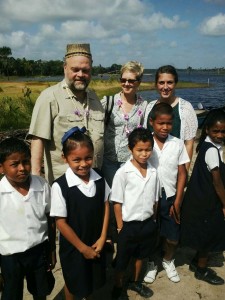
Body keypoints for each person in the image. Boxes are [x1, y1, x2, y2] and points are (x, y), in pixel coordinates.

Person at [29, 43, 104, 184]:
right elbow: (38, 139)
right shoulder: (49, 97)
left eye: (85, 70)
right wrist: (36, 180)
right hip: (63, 185)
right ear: (65, 68)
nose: (80, 75)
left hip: (94, 181)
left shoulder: (95, 98)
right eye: (75, 70)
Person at [50, 127, 110, 300]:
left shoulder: (99, 176)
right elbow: (60, 223)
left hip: (96, 241)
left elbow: (106, 205)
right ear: (65, 158)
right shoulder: (60, 186)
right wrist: (83, 248)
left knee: (91, 278)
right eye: (76, 159)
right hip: (74, 247)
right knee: (74, 281)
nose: (83, 164)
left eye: (88, 158)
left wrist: (103, 236)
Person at [0, 137, 56, 300]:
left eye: (26, 161)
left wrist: (52, 249)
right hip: (10, 255)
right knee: (12, 292)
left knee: (41, 291)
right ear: (1, 168)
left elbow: (50, 218)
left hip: (38, 251)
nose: (22, 168)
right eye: (14, 164)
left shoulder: (42, 185)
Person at [110, 127, 159, 299]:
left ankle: (136, 282)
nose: (144, 154)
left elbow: (155, 199)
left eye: (148, 150)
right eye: (139, 150)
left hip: (147, 224)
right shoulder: (123, 173)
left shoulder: (154, 171)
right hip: (128, 226)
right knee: (122, 260)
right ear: (131, 149)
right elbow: (117, 201)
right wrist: (120, 226)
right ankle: (118, 285)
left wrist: (153, 219)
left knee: (141, 256)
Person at [144, 103, 189, 284]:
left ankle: (168, 260)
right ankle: (152, 263)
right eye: (160, 123)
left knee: (173, 236)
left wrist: (178, 200)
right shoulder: (146, 143)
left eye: (169, 123)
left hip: (170, 197)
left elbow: (183, 173)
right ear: (151, 122)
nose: (165, 127)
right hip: (149, 198)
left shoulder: (177, 143)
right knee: (151, 234)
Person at [181, 108, 225, 285]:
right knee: (208, 235)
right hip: (207, 200)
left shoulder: (208, 145)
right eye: (216, 131)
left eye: (223, 131)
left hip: (200, 197)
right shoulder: (212, 151)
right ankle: (201, 269)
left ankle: (197, 260)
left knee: (204, 232)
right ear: (206, 130)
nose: (220, 135)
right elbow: (217, 182)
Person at [101, 61, 148, 187]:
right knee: (110, 197)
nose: (126, 84)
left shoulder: (143, 106)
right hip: (109, 160)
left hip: (131, 161)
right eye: (123, 80)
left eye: (131, 81)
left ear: (139, 82)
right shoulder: (108, 102)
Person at [144, 65, 198, 170]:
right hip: (151, 168)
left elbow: (189, 144)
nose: (165, 87)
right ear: (156, 84)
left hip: (175, 168)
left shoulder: (185, 108)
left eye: (169, 82)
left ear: (175, 84)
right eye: (161, 83)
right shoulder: (150, 107)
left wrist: (184, 172)